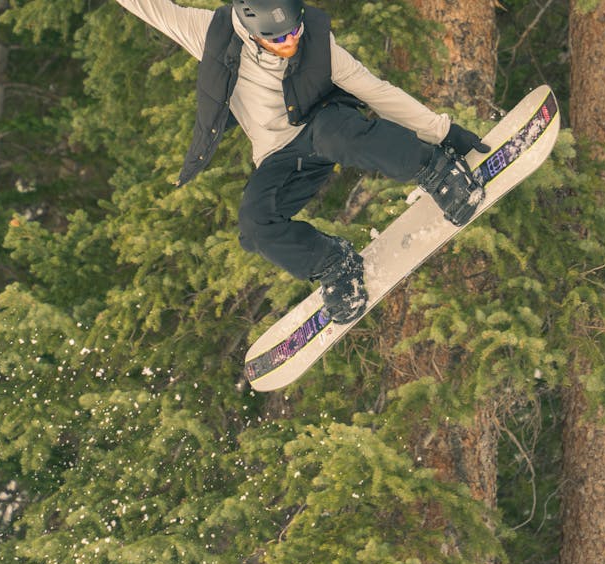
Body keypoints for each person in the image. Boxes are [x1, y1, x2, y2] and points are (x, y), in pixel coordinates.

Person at [115, 0, 489, 323]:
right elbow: (150, 6)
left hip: (324, 123)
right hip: (279, 155)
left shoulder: (317, 43)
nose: (291, 42)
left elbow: (376, 91)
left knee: (334, 135)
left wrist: (441, 131)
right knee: (255, 225)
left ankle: (438, 171)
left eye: (294, 30)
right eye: (279, 39)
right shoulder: (207, 31)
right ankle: (334, 264)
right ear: (251, 32)